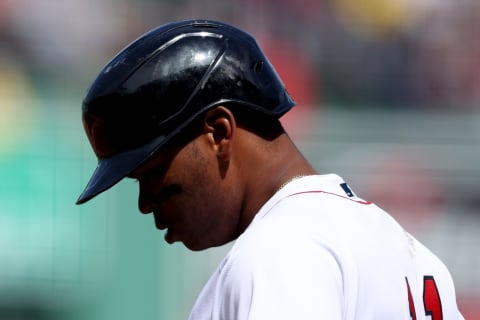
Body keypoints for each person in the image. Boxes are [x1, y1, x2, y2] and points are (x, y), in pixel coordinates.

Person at [76, 20, 464, 319]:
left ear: (218, 132)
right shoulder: (411, 254)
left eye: (151, 172)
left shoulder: (281, 249)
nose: (145, 203)